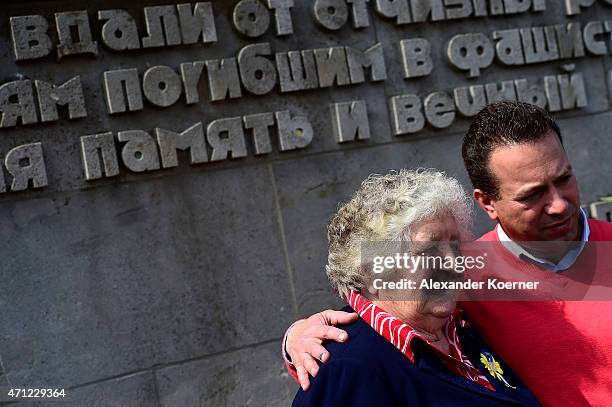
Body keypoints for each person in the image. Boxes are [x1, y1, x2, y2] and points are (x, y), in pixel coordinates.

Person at [284, 102, 612, 406]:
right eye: (533, 194)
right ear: (487, 203)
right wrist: (297, 339)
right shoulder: (467, 281)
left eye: (564, 178)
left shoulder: (459, 328)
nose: (558, 204)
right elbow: (364, 330)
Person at [292, 169, 540, 406]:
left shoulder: (459, 328)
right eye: (429, 250)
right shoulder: (348, 370)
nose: (453, 262)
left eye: (454, 244)